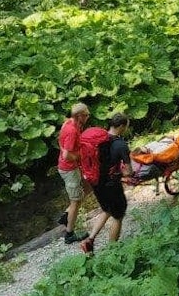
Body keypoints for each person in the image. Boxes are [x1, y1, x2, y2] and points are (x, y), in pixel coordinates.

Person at [81, 113, 133, 254]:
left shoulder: (100, 138)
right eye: (126, 126)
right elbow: (128, 172)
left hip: (96, 182)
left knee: (107, 210)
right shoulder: (121, 144)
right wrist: (126, 173)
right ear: (121, 126)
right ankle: (112, 250)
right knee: (118, 216)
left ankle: (89, 240)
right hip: (111, 186)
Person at [56, 103, 91, 244]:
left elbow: (61, 144)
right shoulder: (72, 131)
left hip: (69, 168)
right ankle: (69, 235)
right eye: (86, 115)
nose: (88, 117)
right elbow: (66, 155)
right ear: (79, 116)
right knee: (76, 201)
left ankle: (66, 216)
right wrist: (80, 156)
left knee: (82, 192)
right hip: (69, 169)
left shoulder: (69, 123)